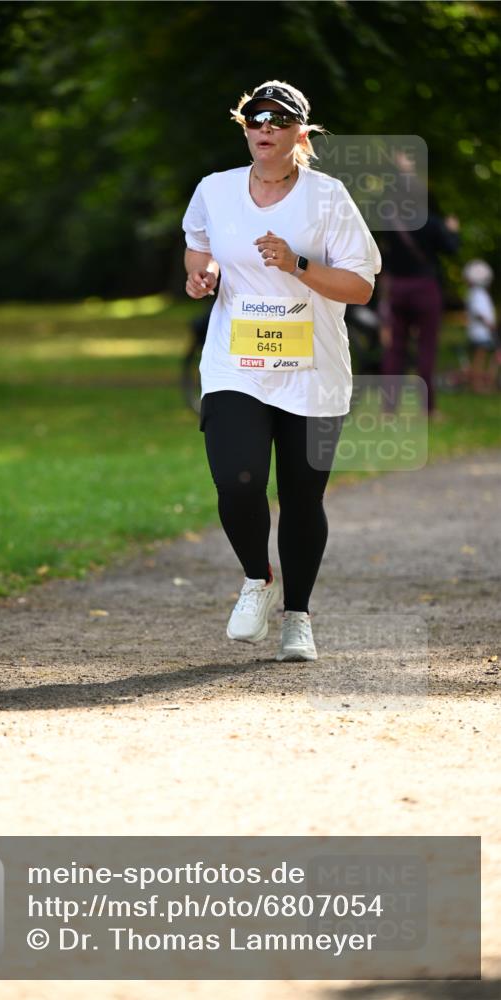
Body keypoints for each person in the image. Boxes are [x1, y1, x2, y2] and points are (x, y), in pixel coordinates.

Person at [182, 80, 381, 662]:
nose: (263, 127)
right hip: (236, 364)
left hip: (312, 370)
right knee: (236, 480)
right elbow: (199, 247)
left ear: (300, 132)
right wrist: (202, 275)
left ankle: (298, 618)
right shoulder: (215, 191)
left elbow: (361, 286)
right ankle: (256, 579)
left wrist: (297, 265)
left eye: (277, 119)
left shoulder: (327, 198)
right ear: (243, 128)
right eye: (253, 118)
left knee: (301, 497)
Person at [378, 194, 460, 417]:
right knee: (427, 348)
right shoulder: (431, 222)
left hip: (397, 289)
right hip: (425, 288)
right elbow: (451, 249)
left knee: (395, 350)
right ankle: (428, 409)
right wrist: (452, 230)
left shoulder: (389, 220)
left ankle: (389, 409)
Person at [462, 259, 498, 393]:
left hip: (479, 332)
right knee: (479, 359)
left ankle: (478, 383)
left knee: (480, 359)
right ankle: (477, 385)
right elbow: (480, 313)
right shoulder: (478, 293)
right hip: (480, 333)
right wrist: (490, 325)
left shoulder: (476, 293)